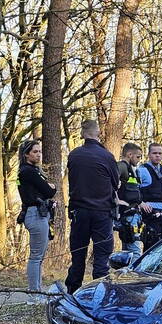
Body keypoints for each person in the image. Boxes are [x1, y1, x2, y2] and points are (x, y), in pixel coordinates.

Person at [65, 120, 122, 293]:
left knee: (78, 256)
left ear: (82, 134)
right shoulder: (107, 156)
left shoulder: (74, 155)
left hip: (79, 212)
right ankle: (99, 295)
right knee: (102, 258)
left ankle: (73, 293)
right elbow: (116, 183)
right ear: (97, 133)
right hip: (102, 214)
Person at [16, 139, 56, 302]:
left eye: (40, 151)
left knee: (39, 256)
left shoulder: (31, 171)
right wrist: (51, 187)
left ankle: (37, 291)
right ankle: (34, 294)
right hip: (35, 214)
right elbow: (48, 191)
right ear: (26, 154)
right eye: (35, 152)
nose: (39, 154)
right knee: (36, 256)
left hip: (39, 214)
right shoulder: (28, 171)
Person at [138, 143, 162, 248]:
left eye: (160, 153)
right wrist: (141, 203)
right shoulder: (142, 170)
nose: (157, 155)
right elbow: (133, 191)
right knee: (151, 246)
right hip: (151, 215)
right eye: (154, 153)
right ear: (149, 154)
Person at [115, 142, 145, 252]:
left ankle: (125, 268)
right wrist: (117, 200)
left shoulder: (132, 170)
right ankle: (133, 270)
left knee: (127, 249)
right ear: (129, 154)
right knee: (135, 249)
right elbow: (110, 183)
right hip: (127, 215)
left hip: (133, 214)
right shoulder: (121, 166)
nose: (139, 160)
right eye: (138, 157)